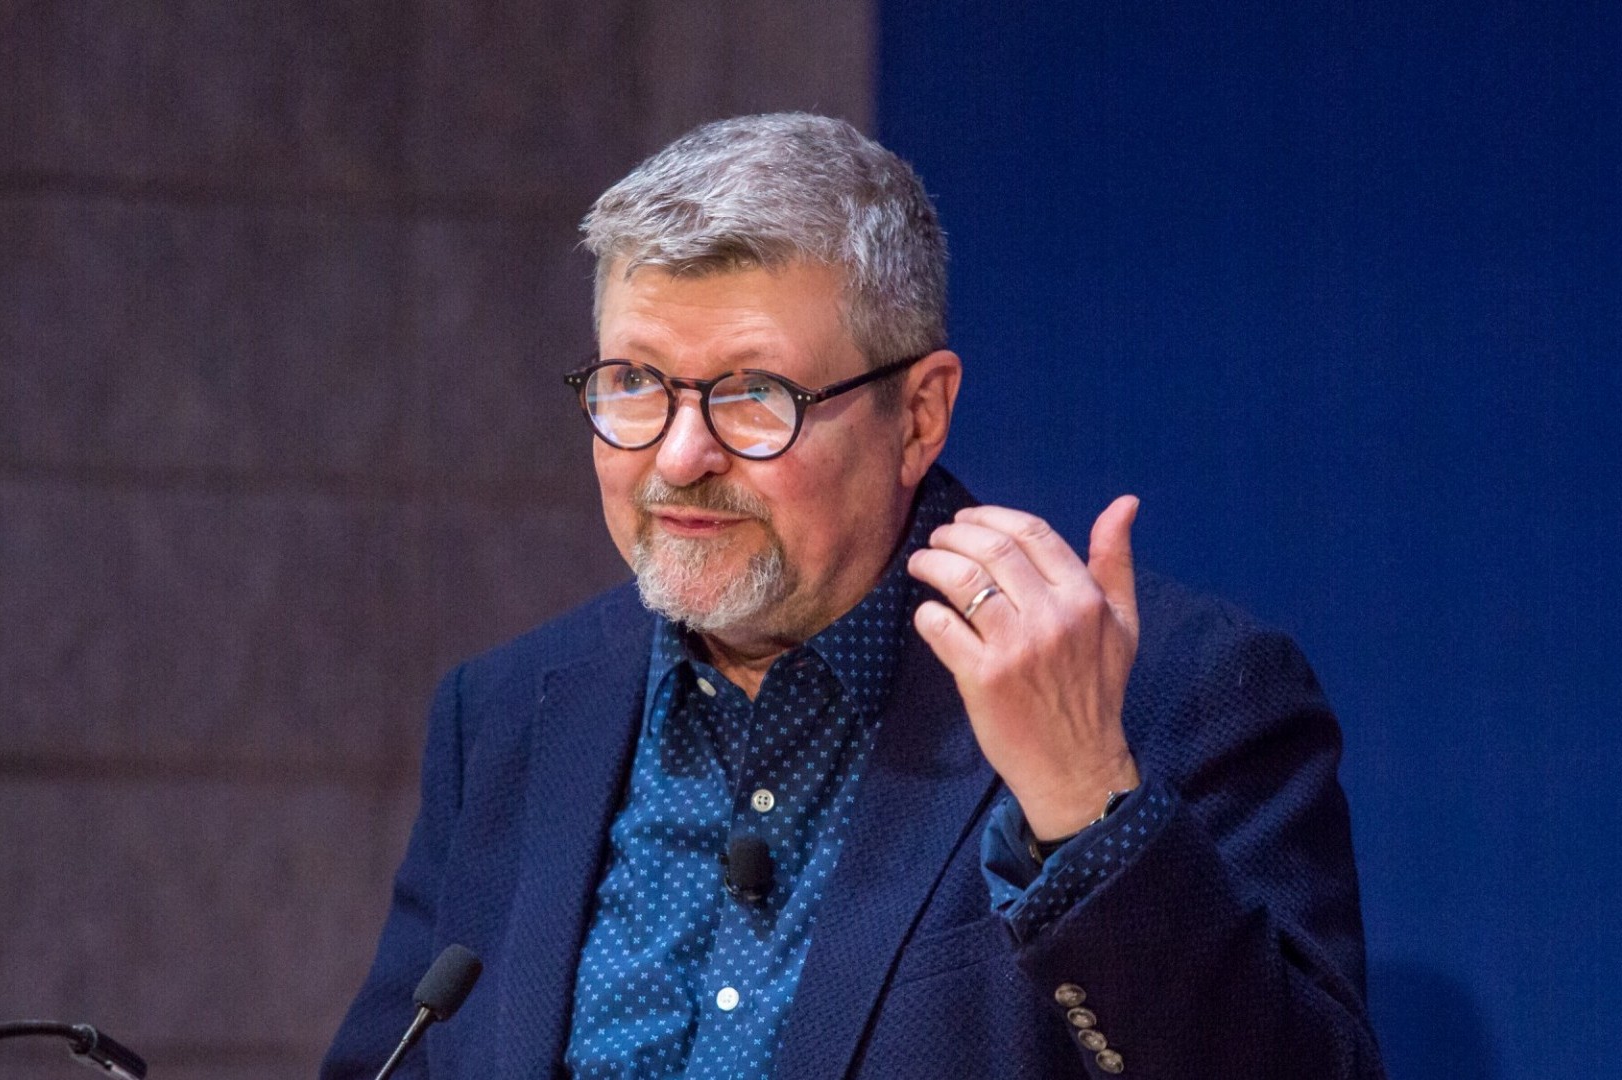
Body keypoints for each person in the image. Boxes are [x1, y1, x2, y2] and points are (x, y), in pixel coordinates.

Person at [321, 113, 1382, 1079]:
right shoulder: (507, 716)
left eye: (752, 395)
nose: (678, 456)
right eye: (635, 382)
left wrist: (1086, 810)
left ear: (919, 416)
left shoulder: (1170, 697)